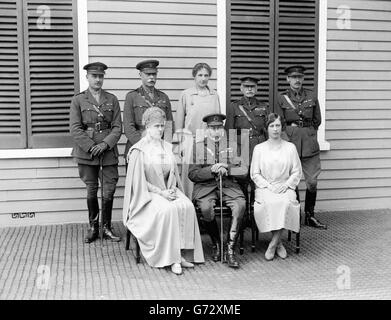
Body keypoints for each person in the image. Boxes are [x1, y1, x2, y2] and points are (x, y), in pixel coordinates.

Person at [122, 107, 204, 275]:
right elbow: (139, 182)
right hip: (146, 194)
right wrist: (161, 193)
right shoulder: (139, 150)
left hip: (168, 189)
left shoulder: (167, 147)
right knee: (167, 210)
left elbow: (173, 173)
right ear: (147, 127)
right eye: (156, 126)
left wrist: (172, 189)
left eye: (162, 126)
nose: (160, 129)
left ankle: (181, 254)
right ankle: (172, 259)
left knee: (186, 205)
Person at [69, 62, 122, 243]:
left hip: (107, 153)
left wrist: (105, 144)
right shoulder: (78, 100)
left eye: (101, 76)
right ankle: (93, 227)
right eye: (94, 76)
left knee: (109, 191)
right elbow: (75, 129)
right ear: (87, 77)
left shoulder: (112, 99)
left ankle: (106, 227)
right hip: (87, 153)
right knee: (91, 190)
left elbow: (117, 127)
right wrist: (92, 146)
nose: (98, 79)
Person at [189, 113, 247, 268]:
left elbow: (243, 170)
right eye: (212, 128)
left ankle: (230, 249)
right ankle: (216, 243)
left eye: (218, 128)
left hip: (228, 185)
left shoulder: (232, 145)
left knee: (240, 205)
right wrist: (211, 170)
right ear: (207, 130)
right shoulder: (198, 146)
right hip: (206, 187)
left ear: (223, 129)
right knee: (206, 208)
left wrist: (227, 168)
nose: (215, 132)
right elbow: (192, 174)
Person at [275, 65, 327, 229]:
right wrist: (286, 140)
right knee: (292, 180)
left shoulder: (311, 95)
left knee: (312, 181)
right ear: (288, 79)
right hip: (291, 142)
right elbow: (279, 122)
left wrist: (308, 132)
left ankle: (310, 215)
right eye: (294, 77)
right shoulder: (281, 97)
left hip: (309, 143)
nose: (297, 80)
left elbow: (317, 120)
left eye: (300, 77)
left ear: (303, 79)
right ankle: (295, 214)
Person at [250, 113, 302, 260]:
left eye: (278, 125)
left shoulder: (290, 148)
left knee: (285, 203)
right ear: (267, 128)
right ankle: (279, 243)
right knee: (270, 202)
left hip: (285, 186)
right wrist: (268, 186)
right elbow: (255, 173)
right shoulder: (259, 149)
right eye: (271, 126)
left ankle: (273, 244)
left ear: (282, 127)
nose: (275, 129)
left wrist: (285, 185)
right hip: (265, 187)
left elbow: (297, 171)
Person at [175, 62, 221, 198]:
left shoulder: (214, 95)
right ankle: (188, 205)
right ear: (194, 76)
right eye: (200, 75)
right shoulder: (186, 95)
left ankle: (204, 203)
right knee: (190, 175)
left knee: (207, 172)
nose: (203, 78)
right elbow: (179, 123)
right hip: (190, 140)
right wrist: (179, 145)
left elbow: (218, 120)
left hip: (209, 141)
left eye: (206, 75)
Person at [225, 75, 269, 215]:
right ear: (241, 88)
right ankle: (243, 216)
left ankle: (256, 213)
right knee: (242, 179)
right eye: (246, 87)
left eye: (252, 87)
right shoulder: (234, 106)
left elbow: (267, 130)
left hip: (259, 145)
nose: (249, 89)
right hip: (241, 146)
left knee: (257, 180)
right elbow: (230, 131)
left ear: (256, 89)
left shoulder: (263, 106)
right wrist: (233, 153)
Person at [123, 59, 174, 160]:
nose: (152, 77)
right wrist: (145, 145)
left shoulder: (164, 97)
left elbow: (168, 125)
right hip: (139, 147)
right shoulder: (132, 97)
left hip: (159, 149)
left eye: (154, 74)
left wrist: (165, 147)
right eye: (148, 74)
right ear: (140, 75)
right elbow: (129, 127)